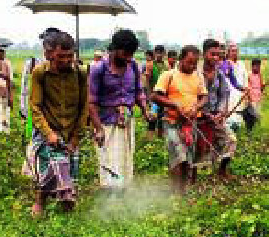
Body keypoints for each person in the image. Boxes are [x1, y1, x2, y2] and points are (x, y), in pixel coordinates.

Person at [28, 31, 87, 216]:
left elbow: (84, 107)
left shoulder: (81, 74)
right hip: (49, 131)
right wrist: (49, 133)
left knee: (70, 174)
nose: (66, 60)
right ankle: (39, 203)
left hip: (71, 131)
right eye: (61, 56)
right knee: (54, 168)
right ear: (52, 53)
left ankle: (66, 215)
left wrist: (76, 137)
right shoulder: (40, 73)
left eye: (70, 56)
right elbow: (35, 107)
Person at [88, 29, 149, 190]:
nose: (129, 58)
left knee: (125, 158)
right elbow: (91, 102)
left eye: (131, 54)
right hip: (106, 122)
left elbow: (138, 92)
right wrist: (98, 128)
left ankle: (123, 192)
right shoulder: (99, 69)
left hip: (127, 121)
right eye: (126, 53)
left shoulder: (133, 66)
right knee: (109, 160)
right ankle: (110, 196)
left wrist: (145, 110)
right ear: (114, 49)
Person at [151, 45, 207, 194]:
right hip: (172, 122)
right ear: (181, 59)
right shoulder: (168, 75)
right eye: (190, 62)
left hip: (190, 123)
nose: (193, 66)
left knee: (188, 157)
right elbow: (155, 96)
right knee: (178, 155)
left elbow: (204, 97)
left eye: (195, 63)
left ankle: (182, 188)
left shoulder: (198, 76)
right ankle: (176, 190)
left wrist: (197, 107)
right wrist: (174, 105)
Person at [199, 38, 235, 179]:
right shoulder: (195, 72)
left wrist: (221, 113)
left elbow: (224, 94)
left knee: (231, 140)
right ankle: (191, 176)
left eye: (218, 55)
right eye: (212, 54)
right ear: (204, 54)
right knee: (195, 147)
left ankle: (222, 171)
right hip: (197, 117)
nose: (215, 58)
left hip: (215, 117)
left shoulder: (219, 75)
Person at [20, 27, 61, 140]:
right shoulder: (32, 63)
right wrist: (23, 108)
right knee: (36, 139)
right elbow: (25, 88)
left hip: (58, 113)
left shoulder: (65, 64)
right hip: (37, 110)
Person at [225, 42, 248, 131]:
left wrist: (245, 89)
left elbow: (245, 76)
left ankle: (237, 129)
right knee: (230, 111)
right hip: (230, 93)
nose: (235, 53)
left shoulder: (241, 63)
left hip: (241, 92)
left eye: (236, 51)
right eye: (233, 51)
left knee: (239, 112)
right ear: (228, 52)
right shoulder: (226, 64)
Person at [146, 45, 168, 138]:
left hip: (163, 97)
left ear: (164, 54)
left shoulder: (166, 66)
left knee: (162, 118)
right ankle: (150, 139)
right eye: (157, 53)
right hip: (154, 96)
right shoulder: (150, 65)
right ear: (154, 53)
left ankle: (160, 138)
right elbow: (147, 82)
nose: (159, 55)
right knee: (152, 118)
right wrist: (149, 96)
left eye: (161, 53)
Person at [245, 58, 268, 132]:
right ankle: (251, 129)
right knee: (253, 114)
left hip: (258, 97)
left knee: (258, 113)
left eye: (259, 66)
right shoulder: (248, 74)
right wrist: (249, 98)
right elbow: (247, 87)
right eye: (256, 66)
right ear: (252, 66)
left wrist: (265, 85)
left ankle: (257, 129)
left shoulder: (259, 75)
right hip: (252, 97)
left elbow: (261, 87)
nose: (257, 68)